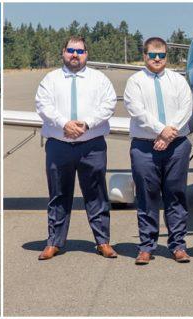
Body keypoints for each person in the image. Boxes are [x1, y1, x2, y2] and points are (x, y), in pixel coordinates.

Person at [34, 36, 117, 261]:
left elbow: (108, 104)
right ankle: (54, 242)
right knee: (58, 195)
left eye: (79, 51)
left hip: (92, 145)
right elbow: (43, 105)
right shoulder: (50, 80)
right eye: (70, 50)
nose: (74, 55)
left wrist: (86, 123)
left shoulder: (99, 79)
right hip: (59, 145)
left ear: (86, 54)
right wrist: (65, 124)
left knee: (96, 194)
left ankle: (103, 242)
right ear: (63, 52)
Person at [123, 36, 193, 265]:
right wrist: (161, 131)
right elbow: (137, 110)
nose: (156, 59)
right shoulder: (135, 82)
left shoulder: (178, 80)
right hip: (144, 147)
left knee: (176, 195)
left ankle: (178, 245)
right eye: (152, 55)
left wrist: (169, 133)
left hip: (177, 146)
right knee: (146, 196)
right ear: (144, 56)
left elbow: (186, 108)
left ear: (166, 56)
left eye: (161, 55)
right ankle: (146, 246)